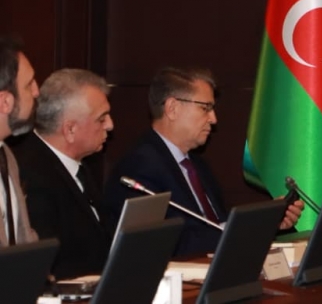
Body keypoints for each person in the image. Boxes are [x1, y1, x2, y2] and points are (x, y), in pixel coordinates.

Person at [101, 67, 303, 257]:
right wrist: (255, 226)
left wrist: (269, 222)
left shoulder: (196, 165)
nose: (213, 119)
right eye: (205, 108)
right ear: (172, 108)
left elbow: (216, 225)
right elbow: (167, 244)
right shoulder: (139, 168)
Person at [12, 68, 114, 278]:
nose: (110, 125)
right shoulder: (31, 174)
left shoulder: (78, 164)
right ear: (70, 130)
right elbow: (49, 262)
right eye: (102, 118)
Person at [0, 35, 40, 247]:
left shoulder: (6, 155)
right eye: (28, 84)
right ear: (5, 102)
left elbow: (23, 239)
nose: (37, 91)